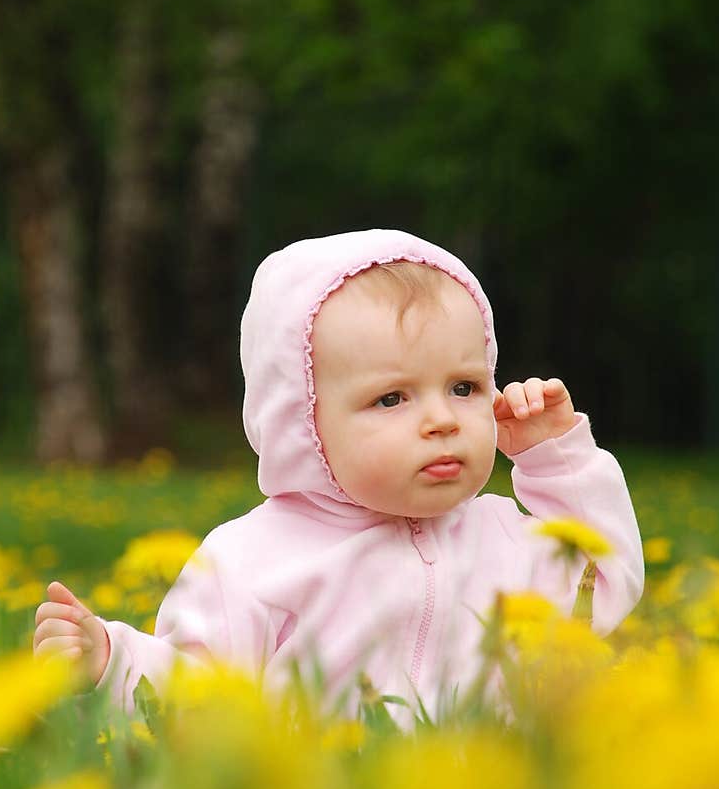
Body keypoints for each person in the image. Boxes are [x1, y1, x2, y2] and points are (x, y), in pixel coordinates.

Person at [33, 228, 645, 725]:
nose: (441, 420)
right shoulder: (252, 561)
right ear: (303, 420)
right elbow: (202, 694)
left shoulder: (506, 536)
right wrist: (114, 660)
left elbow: (603, 583)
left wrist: (555, 457)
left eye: (464, 387)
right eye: (391, 399)